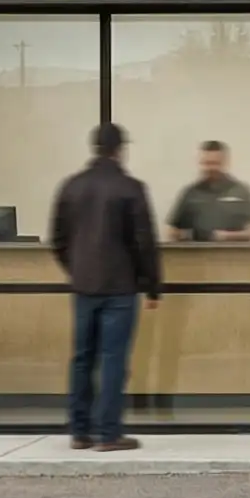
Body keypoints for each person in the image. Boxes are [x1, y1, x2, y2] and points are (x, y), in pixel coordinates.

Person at [48, 122, 161, 451]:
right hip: (120, 288)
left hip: (84, 288)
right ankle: (108, 434)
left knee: (82, 358)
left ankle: (79, 432)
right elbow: (145, 243)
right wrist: (152, 287)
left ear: (94, 147)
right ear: (120, 149)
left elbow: (57, 240)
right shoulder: (130, 188)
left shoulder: (71, 187)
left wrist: (77, 270)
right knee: (113, 358)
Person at [168, 140, 250, 243]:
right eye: (207, 163)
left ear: (225, 163)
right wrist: (190, 235)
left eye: (216, 163)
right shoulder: (190, 193)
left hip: (236, 256)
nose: (211, 168)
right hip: (198, 256)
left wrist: (225, 237)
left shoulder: (242, 192)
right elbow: (172, 231)